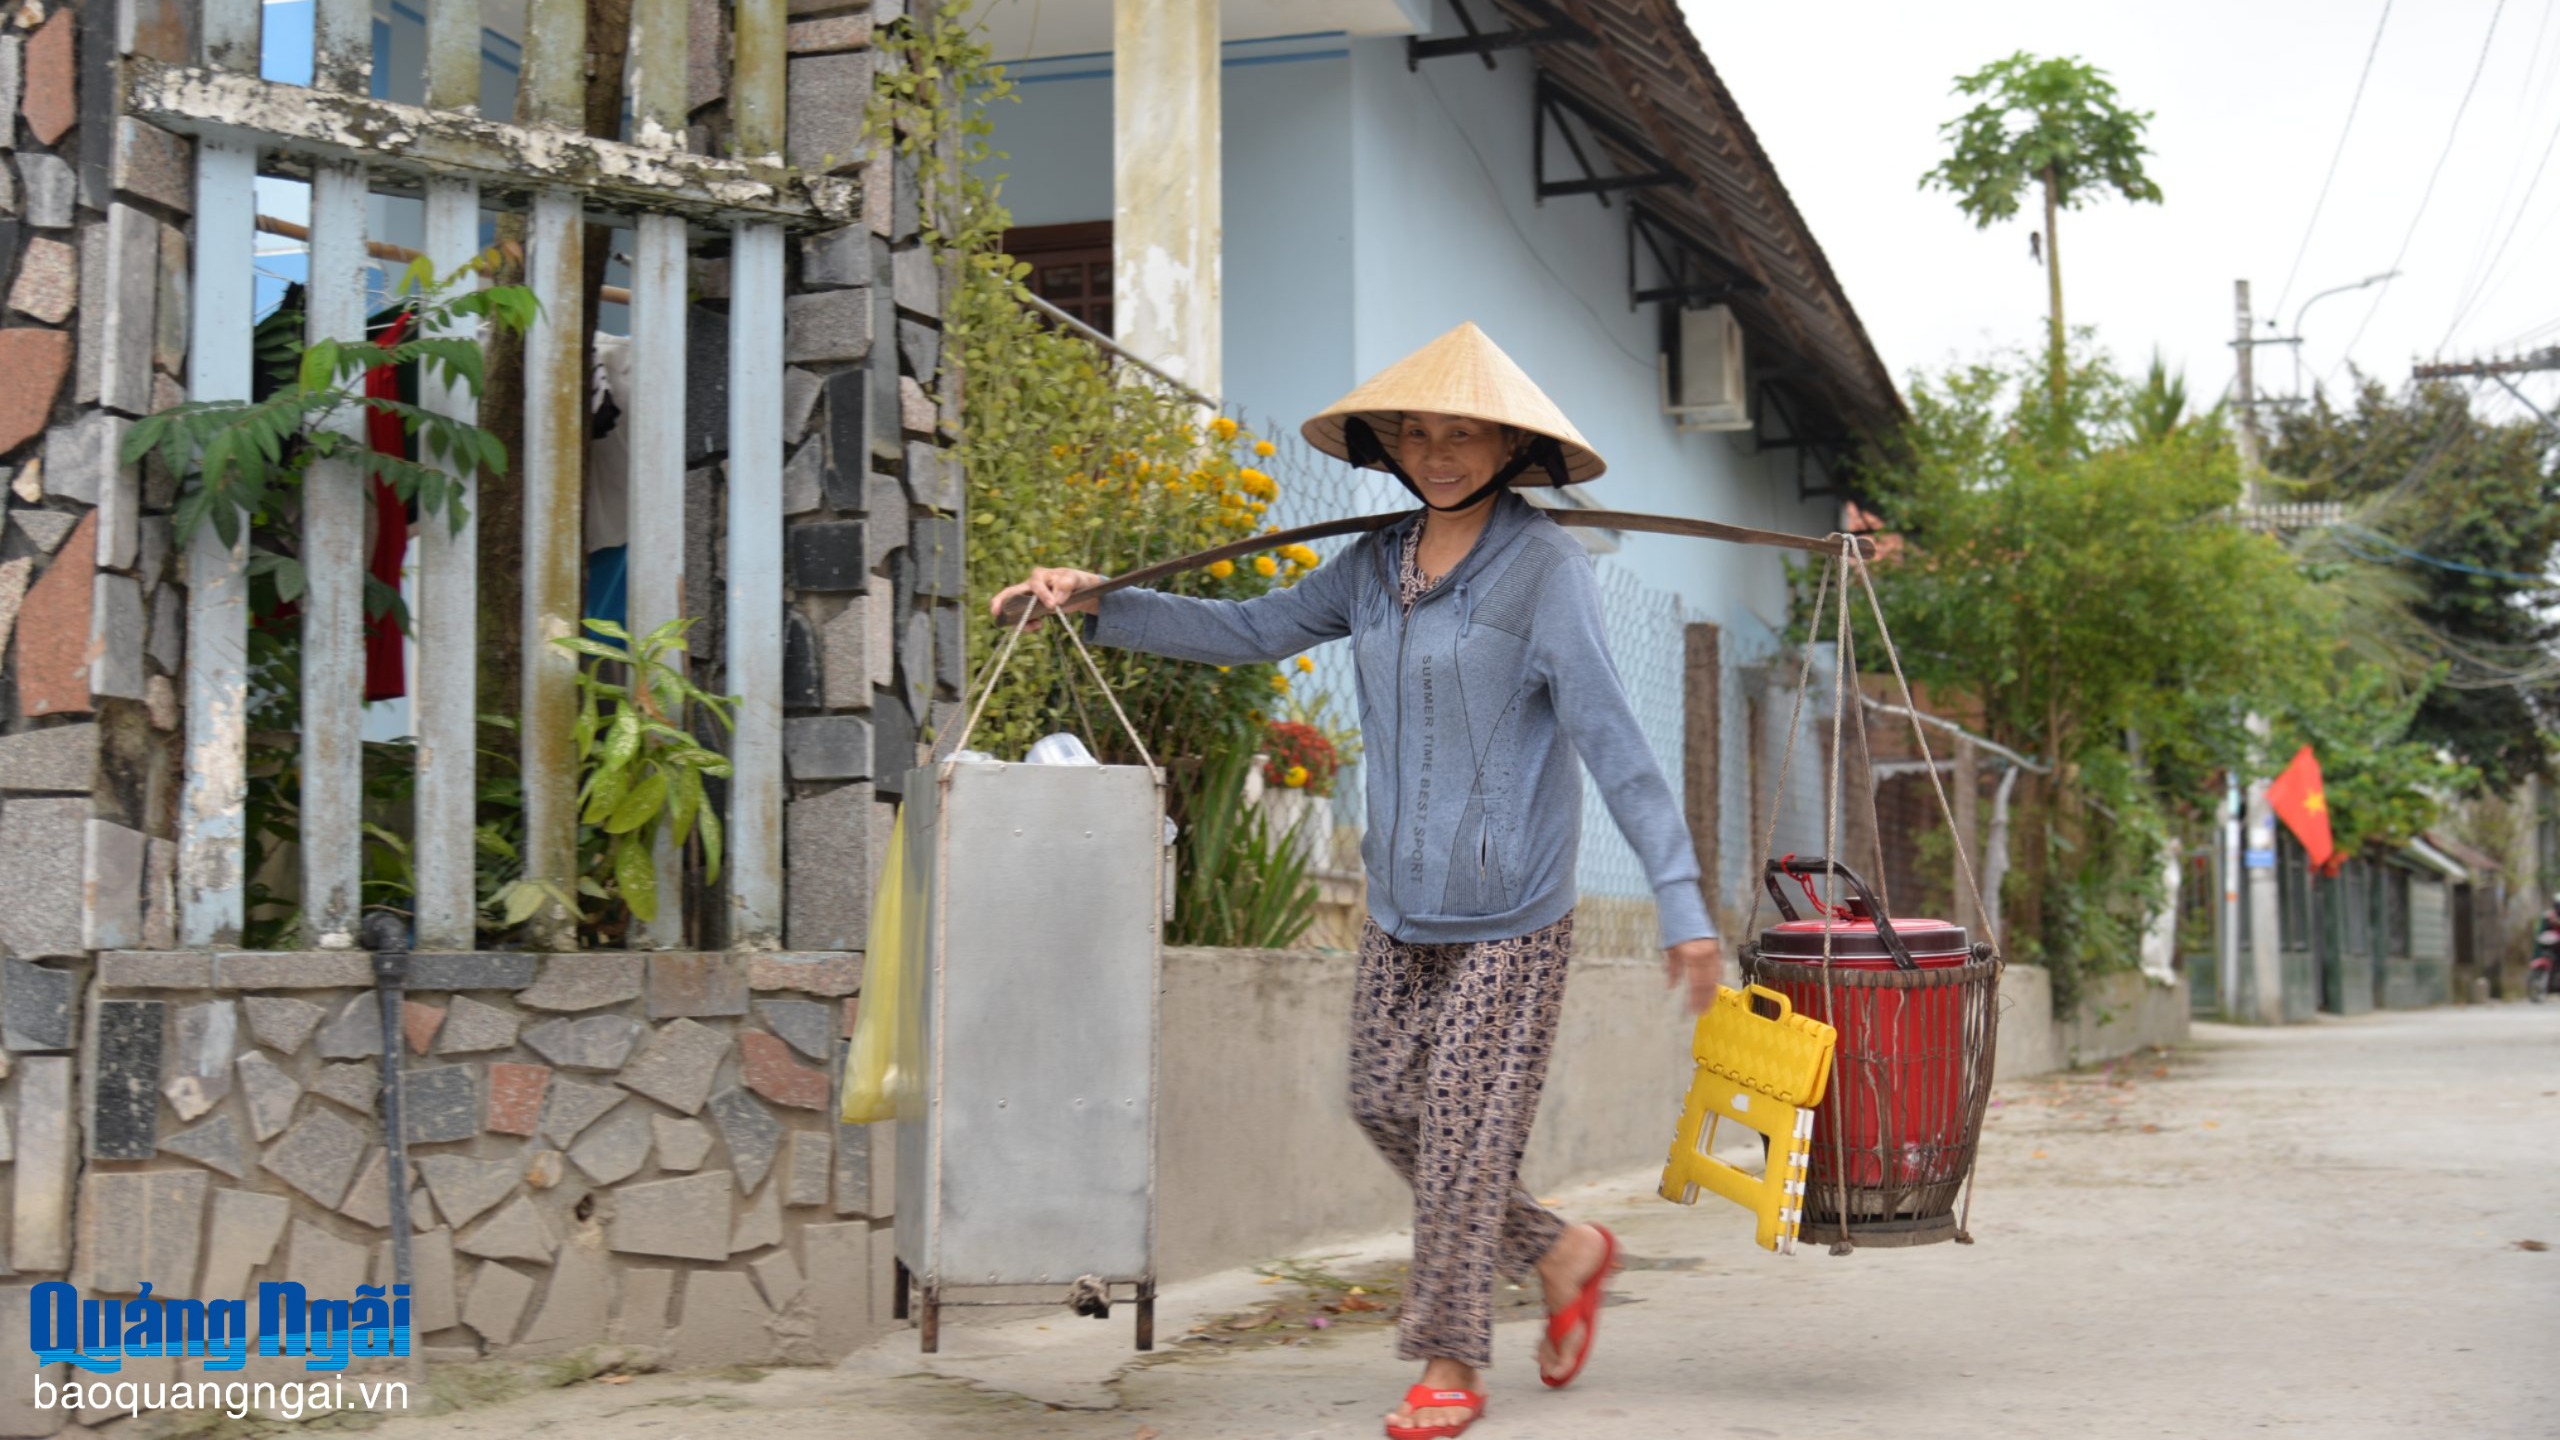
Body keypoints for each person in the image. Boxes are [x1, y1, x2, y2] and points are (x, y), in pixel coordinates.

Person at [990, 322, 1721, 1440]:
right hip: (1400, 904)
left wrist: (1679, 903)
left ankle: (1448, 1359)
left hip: (1513, 908)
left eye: (1463, 431)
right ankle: (1564, 1249)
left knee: (1469, 1130)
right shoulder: (1374, 565)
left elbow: (1614, 738)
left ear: (1508, 445)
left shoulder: (1544, 574)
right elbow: (1245, 630)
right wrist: (1097, 601)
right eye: (1416, 431)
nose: (1438, 451)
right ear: (1388, 442)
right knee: (1385, 1103)